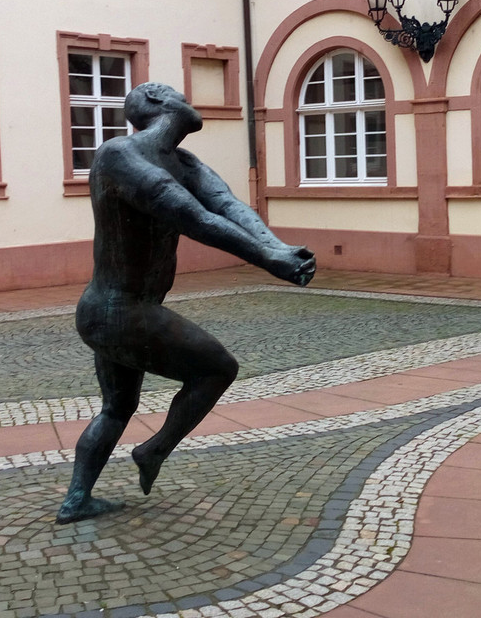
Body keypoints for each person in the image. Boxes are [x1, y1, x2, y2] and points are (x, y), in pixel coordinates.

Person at [56, 82, 316, 524]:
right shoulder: (119, 155)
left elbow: (228, 207)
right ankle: (152, 451)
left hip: (122, 311)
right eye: (181, 94)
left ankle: (77, 499)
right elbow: (189, 215)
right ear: (158, 99)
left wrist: (278, 248)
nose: (192, 102)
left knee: (118, 407)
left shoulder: (186, 162)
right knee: (218, 369)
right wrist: (269, 260)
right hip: (117, 310)